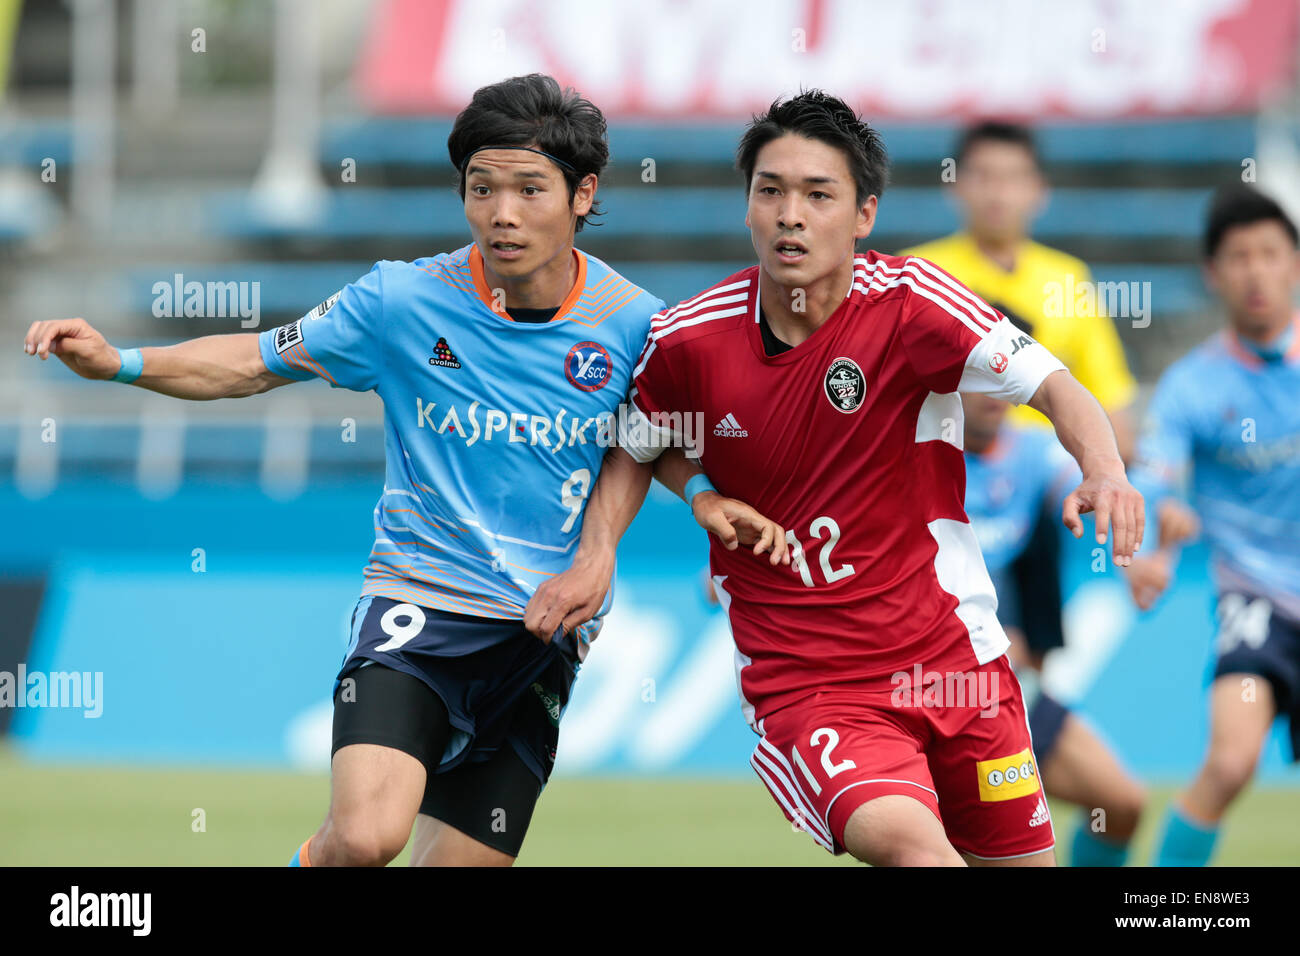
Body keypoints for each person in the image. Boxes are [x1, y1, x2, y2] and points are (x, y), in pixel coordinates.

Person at [22, 73, 783, 867]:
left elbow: (649, 435)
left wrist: (679, 504)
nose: (503, 213)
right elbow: (250, 364)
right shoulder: (400, 301)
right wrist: (121, 362)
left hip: (543, 634)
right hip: (418, 609)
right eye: (482, 188)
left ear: (583, 194)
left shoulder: (633, 324)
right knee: (362, 838)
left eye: (530, 189)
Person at [525, 90, 1144, 866]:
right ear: (747, 207)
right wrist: (612, 545)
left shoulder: (916, 304)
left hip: (959, 666)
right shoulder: (689, 340)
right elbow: (637, 445)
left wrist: (1107, 470)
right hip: (814, 686)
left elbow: (1053, 385)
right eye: (771, 191)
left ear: (863, 216)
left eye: (819, 195)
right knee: (922, 855)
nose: (792, 214)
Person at [1124, 184, 1300, 867]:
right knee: (1230, 762)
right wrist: (1149, 543)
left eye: (1269, 254)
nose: (1255, 271)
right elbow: (1155, 477)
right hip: (1255, 596)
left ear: (1293, 264)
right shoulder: (1191, 387)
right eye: (1238, 258)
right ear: (1213, 273)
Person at [963, 357, 1147, 867]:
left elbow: (1104, 482)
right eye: (976, 382)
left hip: (1006, 682)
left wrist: (1140, 550)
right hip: (931, 685)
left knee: (1119, 804)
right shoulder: (908, 454)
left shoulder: (1030, 455)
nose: (992, 396)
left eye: (1002, 383)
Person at [902, 121, 1138, 462]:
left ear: (1039, 190)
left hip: (1048, 480)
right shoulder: (918, 273)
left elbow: (1112, 409)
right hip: (941, 464)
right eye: (983, 176)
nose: (998, 193)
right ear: (954, 185)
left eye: (1013, 178)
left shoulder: (1069, 280)